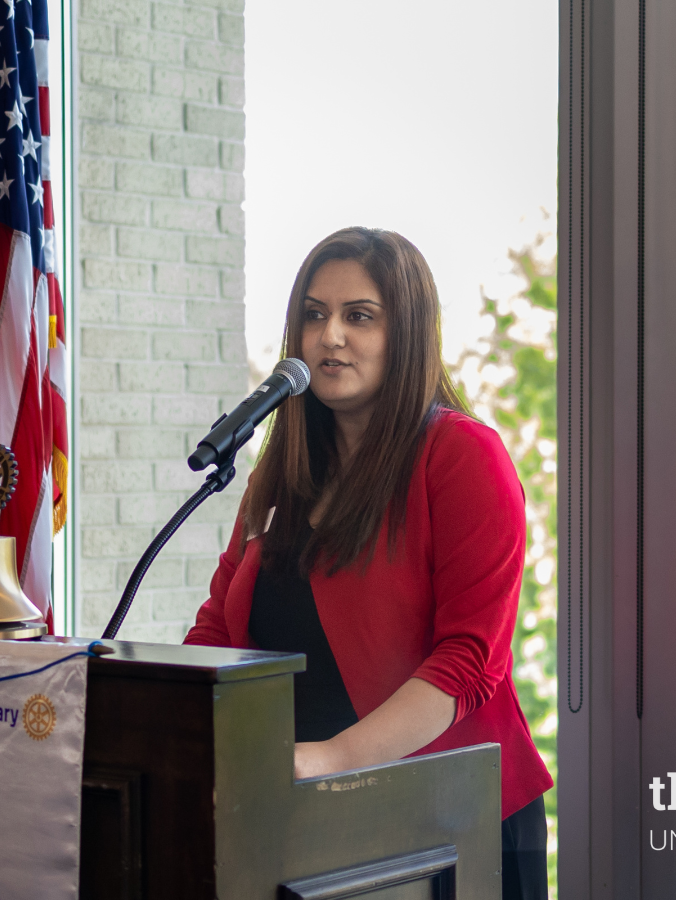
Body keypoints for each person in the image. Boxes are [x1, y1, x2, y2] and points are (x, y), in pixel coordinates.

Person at [184, 226, 553, 899]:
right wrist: (172, 728)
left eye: (360, 317)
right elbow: (219, 628)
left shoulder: (463, 457)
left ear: (406, 334)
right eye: (314, 315)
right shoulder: (282, 473)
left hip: (449, 825)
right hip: (310, 815)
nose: (331, 337)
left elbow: (468, 662)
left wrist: (332, 760)